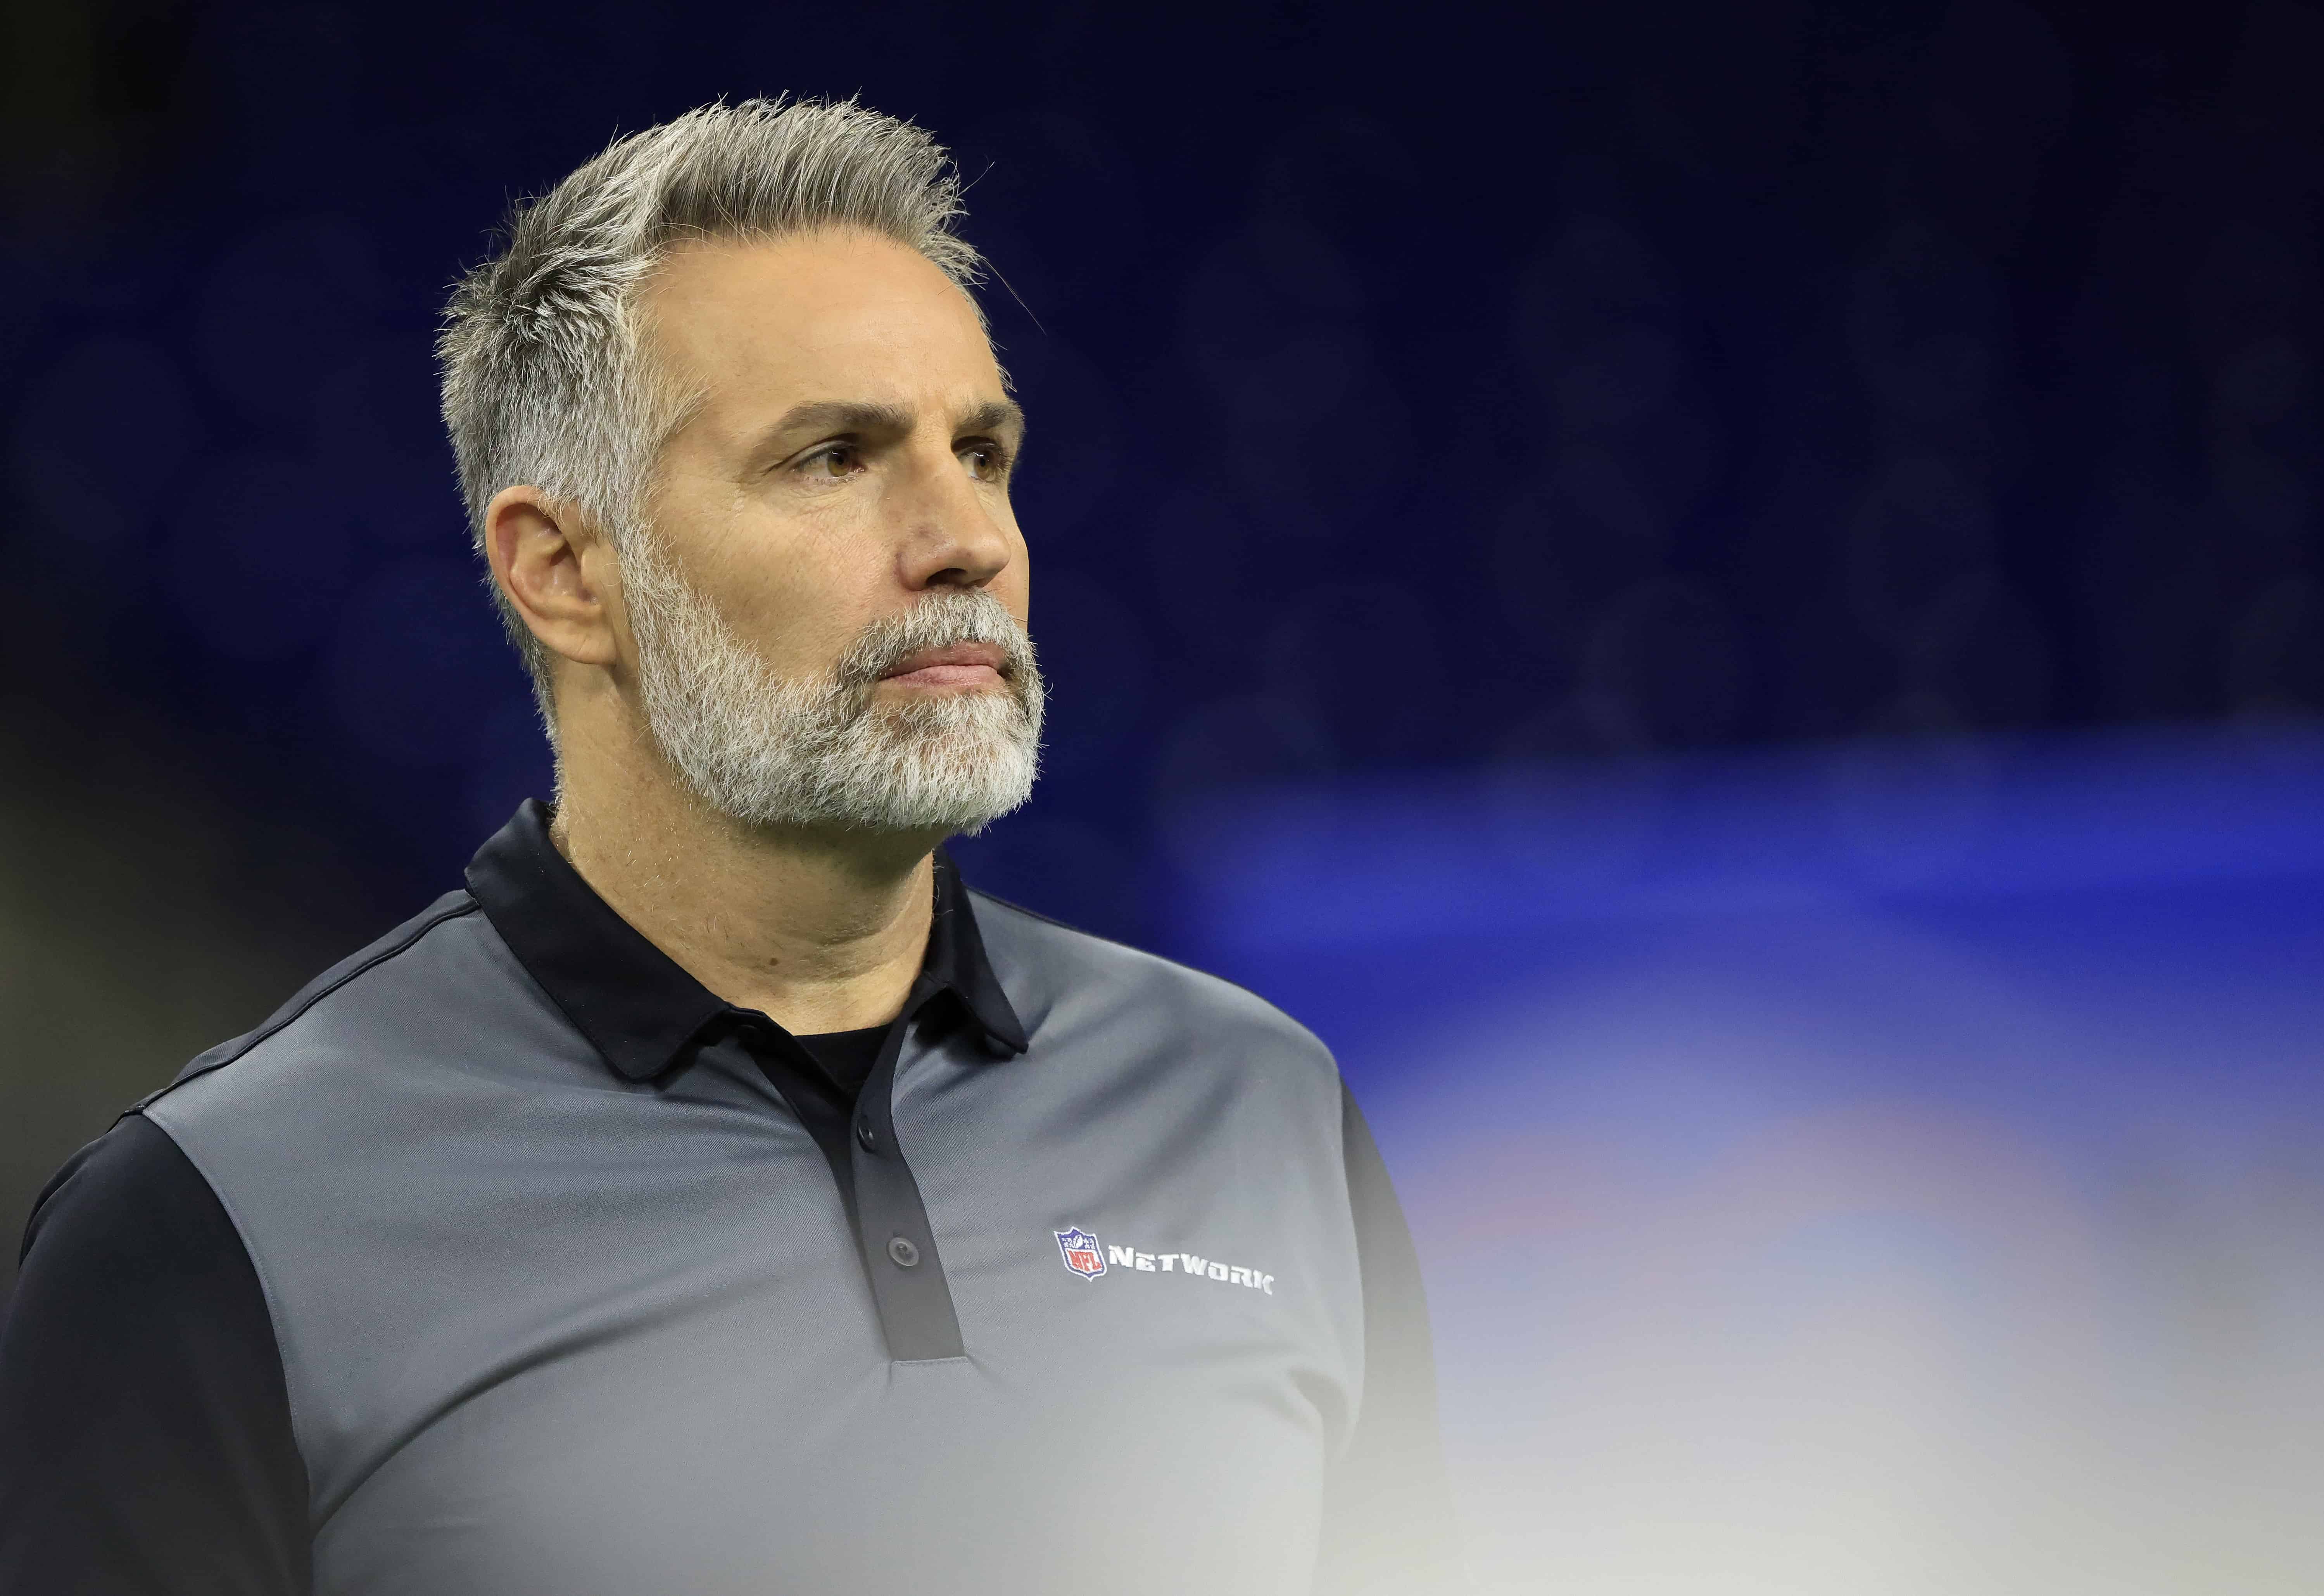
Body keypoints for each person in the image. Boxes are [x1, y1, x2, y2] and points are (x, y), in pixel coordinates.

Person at [0, 98, 1457, 1594]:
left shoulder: (1259, 1107)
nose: (966, 537)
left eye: (982, 450)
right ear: (561, 571)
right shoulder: (216, 1221)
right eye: (833, 456)